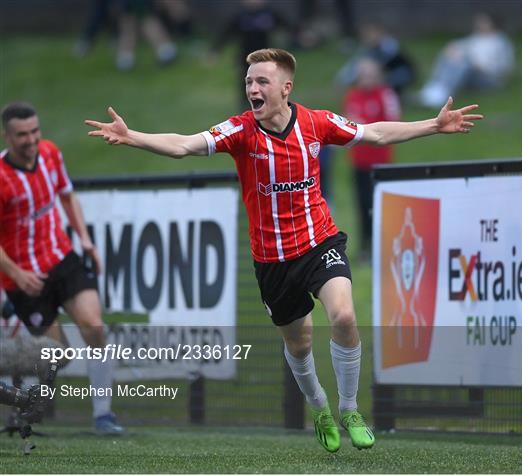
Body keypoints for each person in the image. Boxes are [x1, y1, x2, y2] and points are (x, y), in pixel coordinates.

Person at [86, 48, 482, 452]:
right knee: (300, 342)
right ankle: (321, 409)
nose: (252, 89)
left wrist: (433, 125)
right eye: (248, 82)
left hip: (319, 242)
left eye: (261, 82)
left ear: (285, 88)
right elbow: (184, 145)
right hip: (272, 260)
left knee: (344, 316)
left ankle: (350, 409)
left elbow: (375, 133)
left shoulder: (316, 122)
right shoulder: (240, 131)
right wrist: (131, 136)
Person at [0, 102, 123, 435]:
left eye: (34, 132)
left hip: (61, 259)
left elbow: (68, 198)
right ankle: (15, 401)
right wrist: (16, 274)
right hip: (24, 278)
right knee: (58, 355)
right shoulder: (1, 177)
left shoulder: (51, 154)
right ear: (8, 136)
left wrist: (85, 241)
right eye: (22, 135)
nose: (30, 140)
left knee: (94, 326)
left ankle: (103, 415)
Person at [343, 58, 401, 262]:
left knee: (378, 206)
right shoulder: (353, 95)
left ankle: (383, 247)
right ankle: (365, 247)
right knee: (361, 205)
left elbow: (393, 123)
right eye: (362, 74)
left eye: (370, 74)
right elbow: (347, 122)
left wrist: (365, 126)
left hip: (380, 163)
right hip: (359, 161)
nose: (366, 78)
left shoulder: (385, 95)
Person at [417, 12, 514, 108]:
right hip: (471, 71)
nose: (479, 24)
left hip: (489, 78)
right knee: (449, 54)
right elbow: (459, 45)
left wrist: (478, 65)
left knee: (464, 64)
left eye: (483, 22)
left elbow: (502, 68)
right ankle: (434, 87)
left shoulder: (501, 42)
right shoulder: (477, 38)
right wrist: (452, 49)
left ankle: (443, 95)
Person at [336, 23, 416, 97]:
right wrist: (344, 78)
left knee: (378, 81)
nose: (370, 38)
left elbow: (382, 65)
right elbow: (355, 63)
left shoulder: (389, 46)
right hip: (386, 73)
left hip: (400, 72)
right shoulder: (368, 48)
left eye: (372, 35)